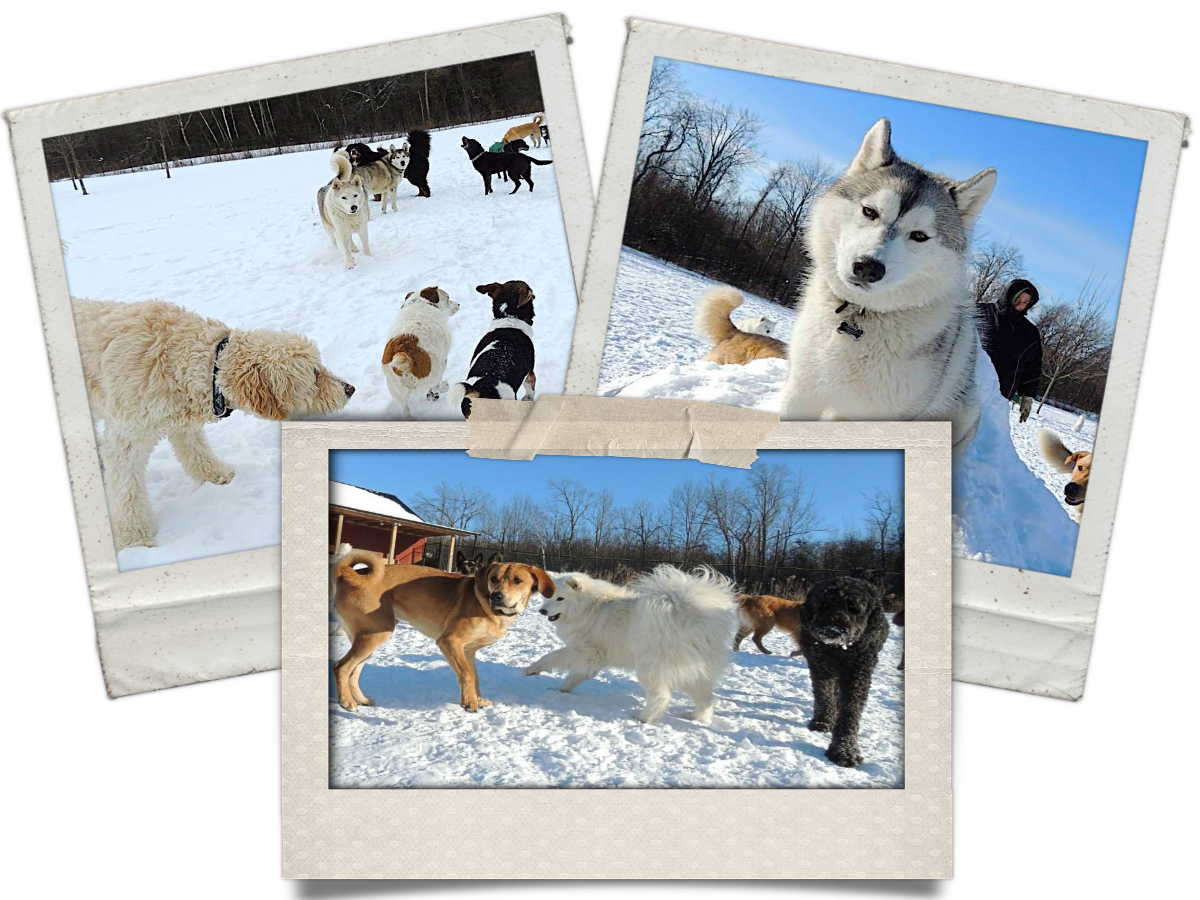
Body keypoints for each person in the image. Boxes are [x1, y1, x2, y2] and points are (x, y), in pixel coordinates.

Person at [978, 279, 1043, 423]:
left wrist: (1027, 396)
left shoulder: (1030, 333)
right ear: (1009, 295)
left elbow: (1033, 367)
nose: (1020, 304)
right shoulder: (980, 312)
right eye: (1018, 299)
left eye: (1025, 302)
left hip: (998, 398)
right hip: (966, 387)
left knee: (983, 439)